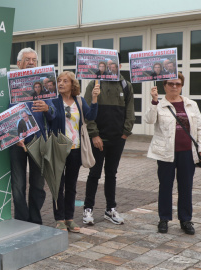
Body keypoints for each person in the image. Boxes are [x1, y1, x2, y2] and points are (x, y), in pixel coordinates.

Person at [82, 55, 135, 226]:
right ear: (102, 66)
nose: (111, 66)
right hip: (98, 139)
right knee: (94, 174)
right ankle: (88, 209)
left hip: (117, 139)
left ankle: (110, 209)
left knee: (111, 174)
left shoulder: (126, 85)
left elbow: (130, 110)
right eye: (107, 63)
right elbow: (87, 112)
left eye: (114, 63)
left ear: (119, 65)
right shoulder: (94, 83)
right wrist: (94, 135)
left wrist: (125, 133)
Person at [145, 73, 201, 235]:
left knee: (186, 186)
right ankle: (164, 219)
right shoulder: (160, 104)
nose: (174, 86)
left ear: (182, 85)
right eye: (170, 83)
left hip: (187, 153)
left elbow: (199, 128)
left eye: (177, 83)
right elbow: (149, 120)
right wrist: (154, 101)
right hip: (165, 152)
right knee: (165, 186)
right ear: (165, 86)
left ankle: (185, 220)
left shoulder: (191, 104)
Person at [48, 71, 99, 232]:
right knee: (58, 185)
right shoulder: (53, 101)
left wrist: (95, 98)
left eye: (65, 81)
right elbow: (50, 119)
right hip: (58, 148)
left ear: (73, 85)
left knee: (71, 185)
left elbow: (91, 116)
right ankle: (59, 219)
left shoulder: (78, 100)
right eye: (59, 81)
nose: (61, 83)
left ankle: (69, 218)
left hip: (75, 148)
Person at [11, 47, 56, 226]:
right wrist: (15, 136)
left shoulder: (44, 86)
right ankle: (22, 220)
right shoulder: (11, 85)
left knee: (38, 185)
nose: (31, 62)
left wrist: (47, 109)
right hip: (17, 142)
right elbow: (7, 114)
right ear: (18, 63)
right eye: (27, 59)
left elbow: (54, 113)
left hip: (40, 142)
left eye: (34, 60)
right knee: (18, 185)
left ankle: (35, 219)